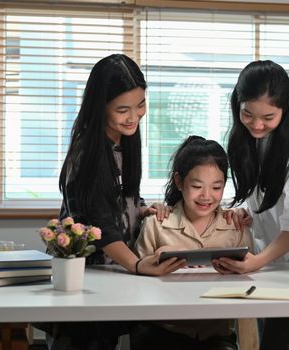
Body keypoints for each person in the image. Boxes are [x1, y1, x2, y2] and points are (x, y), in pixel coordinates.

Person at [37, 54, 186, 350]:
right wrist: (139, 265)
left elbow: (120, 197)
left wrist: (142, 209)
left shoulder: (123, 139)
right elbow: (101, 226)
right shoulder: (88, 155)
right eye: (123, 109)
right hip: (85, 278)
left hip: (112, 275)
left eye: (141, 104)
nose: (134, 116)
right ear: (100, 106)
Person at [213, 60, 289, 350]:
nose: (256, 124)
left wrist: (258, 261)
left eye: (268, 116)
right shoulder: (256, 137)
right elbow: (269, 199)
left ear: (285, 110)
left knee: (279, 342)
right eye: (247, 114)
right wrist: (249, 215)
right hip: (272, 260)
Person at [131, 135, 253, 350]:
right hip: (162, 330)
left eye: (216, 187)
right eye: (197, 186)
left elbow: (249, 284)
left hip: (214, 334)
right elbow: (136, 282)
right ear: (179, 182)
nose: (206, 196)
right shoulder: (156, 224)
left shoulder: (235, 227)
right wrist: (158, 257)